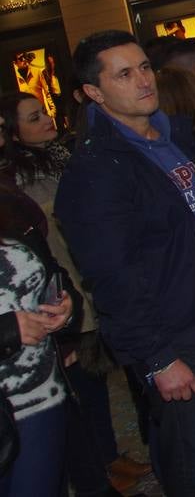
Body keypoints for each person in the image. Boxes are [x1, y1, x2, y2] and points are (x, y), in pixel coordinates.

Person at [54, 32, 195, 496]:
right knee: (192, 461)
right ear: (93, 92)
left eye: (144, 67)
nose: (143, 80)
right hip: (176, 336)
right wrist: (156, 357)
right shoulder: (96, 171)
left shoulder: (175, 135)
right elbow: (111, 276)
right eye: (124, 74)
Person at [0, 93, 147, 497]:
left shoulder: (24, 187)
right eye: (30, 118)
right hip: (14, 387)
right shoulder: (17, 185)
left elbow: (46, 261)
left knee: (86, 399)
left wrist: (66, 303)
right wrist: (11, 327)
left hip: (43, 379)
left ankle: (105, 465)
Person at [0, 191, 76, 497]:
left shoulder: (9, 206)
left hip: (43, 397)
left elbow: (49, 268)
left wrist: (63, 305)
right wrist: (6, 329)